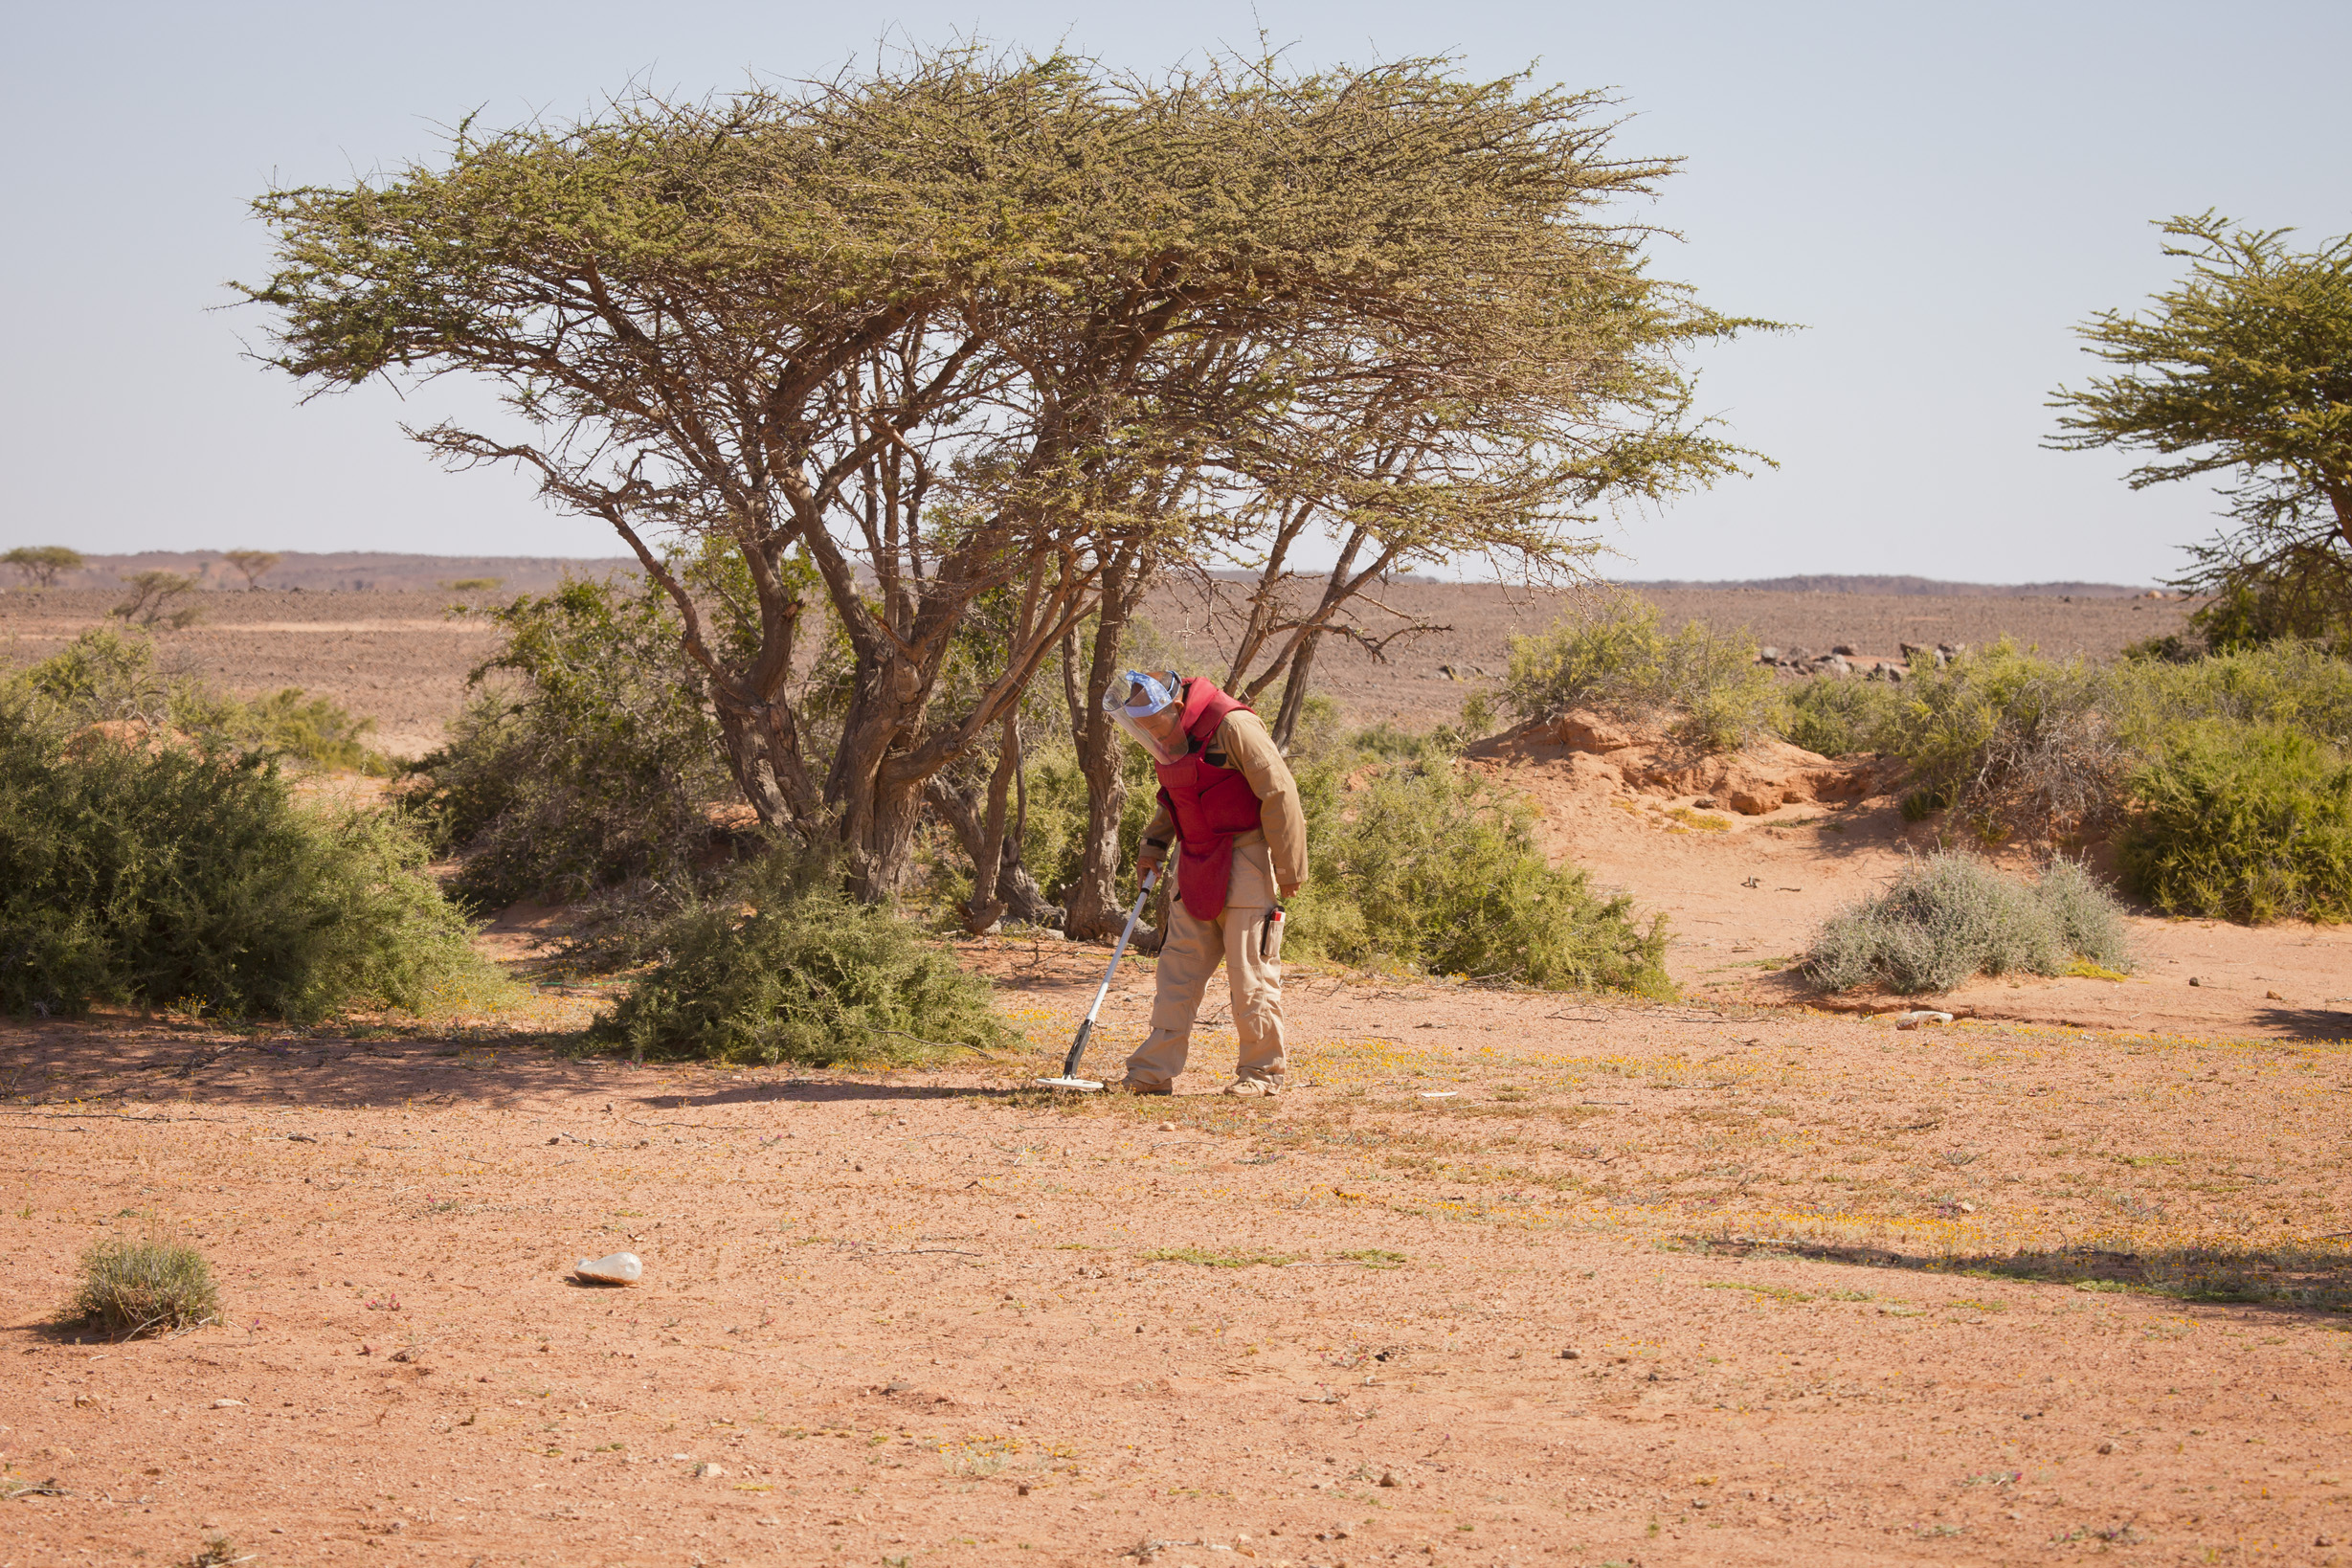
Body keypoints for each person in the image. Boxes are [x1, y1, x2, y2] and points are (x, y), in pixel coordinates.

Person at [1104, 669, 1308, 1096]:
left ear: (1177, 708)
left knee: (1250, 973)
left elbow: (1279, 791)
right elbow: (1176, 795)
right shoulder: (1164, 737)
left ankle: (1262, 1074)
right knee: (1176, 974)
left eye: (1155, 725)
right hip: (1194, 864)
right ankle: (1151, 1073)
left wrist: (1289, 868)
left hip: (1247, 859)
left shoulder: (1234, 725)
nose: (1151, 736)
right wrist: (1153, 847)